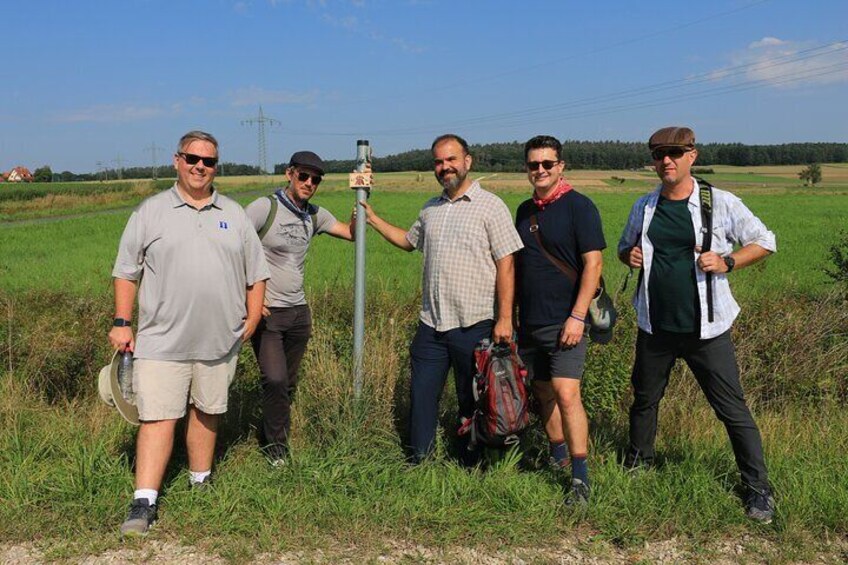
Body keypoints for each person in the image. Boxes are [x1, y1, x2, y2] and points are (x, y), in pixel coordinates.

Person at [109, 131, 270, 536]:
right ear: (177, 161)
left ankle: (201, 482)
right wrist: (122, 322)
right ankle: (144, 500)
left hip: (219, 341)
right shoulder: (151, 212)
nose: (201, 166)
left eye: (209, 161)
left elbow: (257, 273)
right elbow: (126, 271)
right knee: (158, 417)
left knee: (208, 410)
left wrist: (251, 319)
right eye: (193, 158)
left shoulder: (234, 214)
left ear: (217, 166)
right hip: (162, 341)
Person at [618, 126, 777, 523]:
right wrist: (629, 256)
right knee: (644, 400)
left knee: (732, 410)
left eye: (674, 152)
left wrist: (727, 261)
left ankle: (759, 490)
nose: (665, 161)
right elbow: (625, 246)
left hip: (707, 331)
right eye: (658, 154)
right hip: (655, 326)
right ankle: (639, 467)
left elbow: (765, 240)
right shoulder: (645, 205)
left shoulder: (719, 202)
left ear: (693, 155)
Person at [360, 134, 523, 464]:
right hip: (431, 324)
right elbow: (408, 242)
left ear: (467, 161)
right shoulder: (430, 208)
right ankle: (419, 461)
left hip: (474, 322)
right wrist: (372, 218)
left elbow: (506, 264)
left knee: (472, 398)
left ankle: (471, 463)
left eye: (451, 159)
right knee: (422, 394)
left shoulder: (491, 206)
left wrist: (504, 318)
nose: (444, 167)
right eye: (438, 161)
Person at [244, 151, 354, 466]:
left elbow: (350, 233)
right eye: (303, 176)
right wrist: (247, 299)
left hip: (298, 313)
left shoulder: (314, 215)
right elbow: (230, 247)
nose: (309, 183)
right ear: (289, 173)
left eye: (315, 179)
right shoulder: (265, 208)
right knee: (275, 379)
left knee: (286, 383)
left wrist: (362, 201)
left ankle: (272, 433)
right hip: (268, 314)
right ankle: (276, 450)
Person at [514, 135, 605, 505]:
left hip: (567, 321)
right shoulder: (523, 210)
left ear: (561, 166)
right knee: (543, 392)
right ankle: (557, 454)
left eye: (547, 164)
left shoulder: (579, 207)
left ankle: (579, 478)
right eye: (534, 164)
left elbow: (594, 264)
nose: (540, 170)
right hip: (530, 322)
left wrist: (577, 316)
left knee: (567, 393)